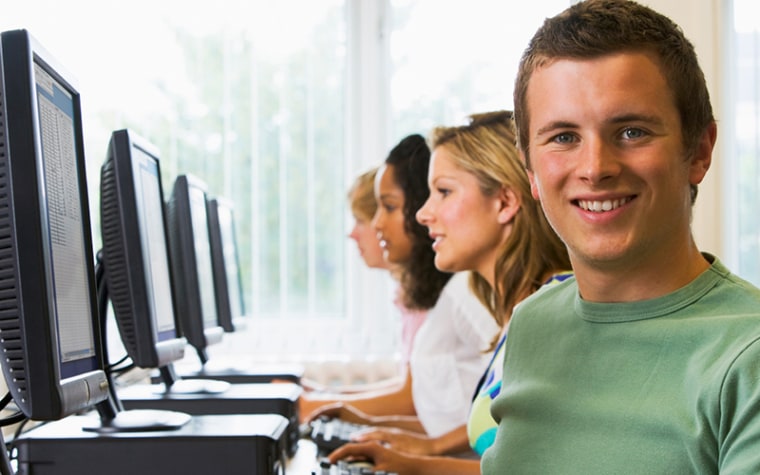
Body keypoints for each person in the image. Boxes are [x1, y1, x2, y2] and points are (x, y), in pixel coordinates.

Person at [478, 1, 760, 473]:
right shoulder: (530, 324)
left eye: (632, 131)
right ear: (530, 169)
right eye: (564, 137)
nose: (595, 168)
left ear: (699, 151)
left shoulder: (745, 356)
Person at [325, 110, 571, 474]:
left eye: (443, 192)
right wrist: (426, 448)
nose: (423, 214)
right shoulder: (522, 313)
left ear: (504, 202)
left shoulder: (557, 313)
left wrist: (417, 465)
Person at [302, 134, 499, 437]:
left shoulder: (468, 291)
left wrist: (317, 403)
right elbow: (442, 418)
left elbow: (503, 420)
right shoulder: (452, 291)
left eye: (389, 207)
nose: (374, 225)